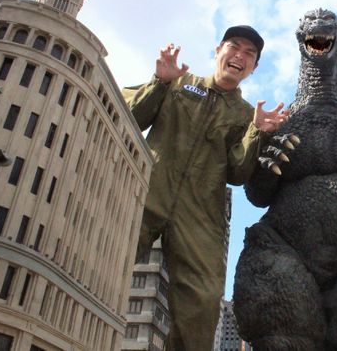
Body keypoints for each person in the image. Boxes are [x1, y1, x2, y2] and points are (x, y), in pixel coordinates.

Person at [122, 25, 287, 350]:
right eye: (234, 47)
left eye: (249, 54)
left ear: (253, 68)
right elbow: (131, 118)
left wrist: (255, 131)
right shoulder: (179, 84)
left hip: (200, 215)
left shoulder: (244, 115)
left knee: (202, 302)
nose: (239, 56)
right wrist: (161, 82)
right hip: (146, 193)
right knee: (100, 262)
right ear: (218, 50)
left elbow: (238, 173)